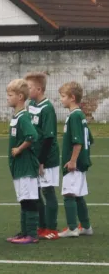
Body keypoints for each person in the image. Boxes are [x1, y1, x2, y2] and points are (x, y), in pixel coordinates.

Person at [25, 72, 61, 240]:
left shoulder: (47, 108)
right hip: (34, 156)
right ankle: (42, 225)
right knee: (36, 192)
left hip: (47, 158)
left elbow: (48, 137)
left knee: (48, 191)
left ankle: (52, 228)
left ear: (39, 89)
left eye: (29, 87)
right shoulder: (31, 104)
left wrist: (41, 161)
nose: (26, 90)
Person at [6, 79, 40, 245]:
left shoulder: (24, 117)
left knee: (29, 199)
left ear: (20, 97)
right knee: (23, 199)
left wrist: (19, 149)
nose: (7, 98)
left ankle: (32, 234)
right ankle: (24, 231)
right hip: (18, 166)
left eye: (10, 95)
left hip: (26, 166)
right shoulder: (16, 117)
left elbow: (32, 136)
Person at [58, 82, 93, 238]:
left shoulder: (74, 116)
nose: (61, 100)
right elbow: (89, 139)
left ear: (72, 98)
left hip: (74, 164)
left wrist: (72, 161)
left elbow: (78, 141)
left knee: (69, 195)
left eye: (63, 96)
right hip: (81, 162)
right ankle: (86, 226)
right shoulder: (80, 115)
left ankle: (72, 228)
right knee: (78, 195)